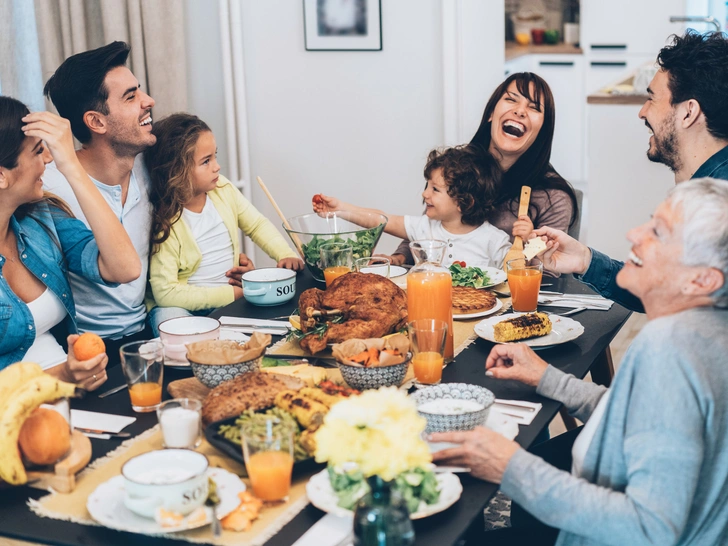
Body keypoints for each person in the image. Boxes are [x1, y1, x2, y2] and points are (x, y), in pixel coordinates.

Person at [431, 178, 728, 546]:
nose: (634, 233)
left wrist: (510, 467)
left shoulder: (670, 348)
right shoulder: (711, 330)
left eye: (658, 232)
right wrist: (548, 378)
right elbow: (641, 418)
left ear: (701, 279)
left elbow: (650, 529)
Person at [537, 31, 728, 312]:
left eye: (651, 99)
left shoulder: (714, 213)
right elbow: (664, 288)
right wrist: (585, 260)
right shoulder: (701, 194)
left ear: (688, 113)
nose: (641, 112)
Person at [0, 96, 141, 389]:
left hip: (71, 397)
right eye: (39, 151)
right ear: (2, 176)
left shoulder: (41, 219)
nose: (49, 159)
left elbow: (124, 268)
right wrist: (62, 375)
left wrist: (72, 167)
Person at [386, 72, 578, 266]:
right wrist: (400, 257)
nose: (520, 111)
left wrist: (530, 241)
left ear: (543, 129)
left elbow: (547, 272)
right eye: (511, 99)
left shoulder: (554, 198)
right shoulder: (459, 167)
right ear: (490, 114)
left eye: (534, 107)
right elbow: (430, 226)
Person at [144, 113, 303, 335]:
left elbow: (256, 225)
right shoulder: (166, 221)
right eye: (206, 161)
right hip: (183, 306)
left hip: (226, 298)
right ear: (177, 171)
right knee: (168, 320)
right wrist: (234, 295)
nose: (217, 167)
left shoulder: (223, 190)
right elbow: (166, 293)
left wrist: (284, 254)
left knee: (277, 316)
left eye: (215, 157)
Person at [313, 146, 511, 269]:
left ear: (464, 202)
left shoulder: (494, 240)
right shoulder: (425, 228)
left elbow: (518, 273)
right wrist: (339, 209)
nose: (425, 194)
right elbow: (381, 219)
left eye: (435, 189)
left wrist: (529, 240)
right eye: (427, 186)